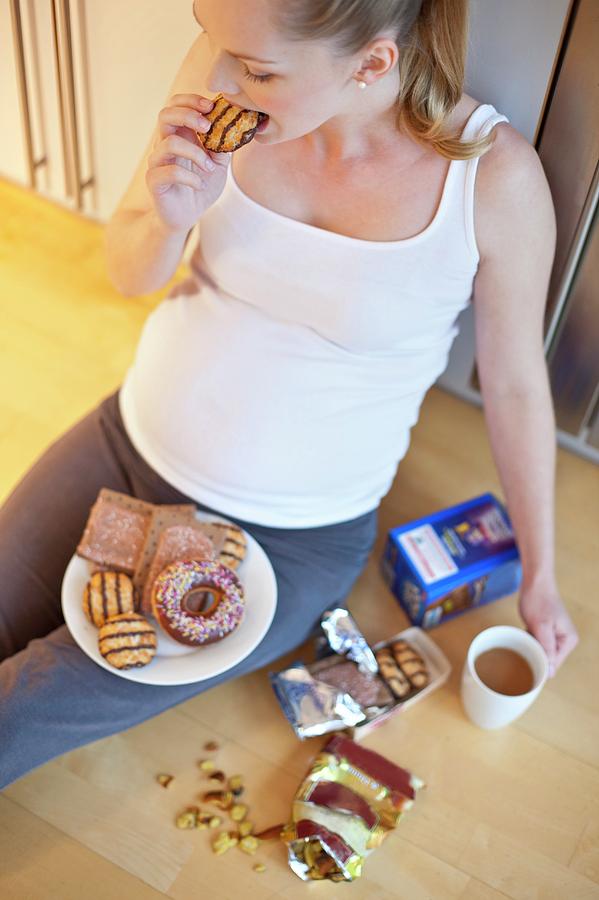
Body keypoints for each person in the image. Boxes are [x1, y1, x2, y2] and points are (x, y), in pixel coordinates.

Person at [0, 0, 578, 789]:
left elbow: (514, 386)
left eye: (260, 71)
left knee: (22, 712)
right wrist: (168, 218)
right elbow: (130, 272)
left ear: (370, 64)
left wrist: (540, 575)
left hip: (288, 540)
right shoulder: (225, 63)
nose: (224, 76)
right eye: (216, 41)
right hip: (127, 443)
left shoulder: (494, 180)